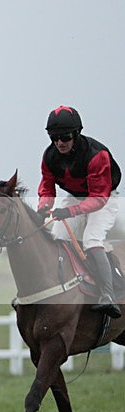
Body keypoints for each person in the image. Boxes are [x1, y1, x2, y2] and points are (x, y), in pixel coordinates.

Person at [37, 105, 122, 318]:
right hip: (76, 197)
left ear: (76, 133)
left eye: (64, 137)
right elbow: (47, 186)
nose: (59, 143)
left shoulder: (97, 155)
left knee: (92, 240)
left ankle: (107, 295)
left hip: (104, 198)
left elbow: (98, 198)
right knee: (57, 239)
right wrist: (43, 208)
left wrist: (70, 211)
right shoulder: (49, 156)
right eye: (54, 137)